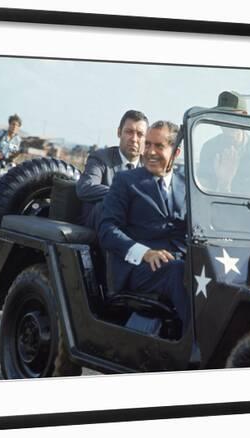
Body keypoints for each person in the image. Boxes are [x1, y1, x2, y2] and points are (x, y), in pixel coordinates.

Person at [98, 121, 189, 327]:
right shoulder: (126, 181)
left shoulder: (188, 186)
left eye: (159, 146)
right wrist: (146, 253)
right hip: (139, 268)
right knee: (177, 271)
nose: (150, 152)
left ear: (175, 153)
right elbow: (107, 230)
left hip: (181, 261)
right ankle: (197, 346)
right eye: (147, 145)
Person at [76, 110, 149, 229]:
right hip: (97, 227)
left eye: (140, 134)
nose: (134, 139)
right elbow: (85, 187)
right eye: (129, 132)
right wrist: (122, 194)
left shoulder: (148, 167)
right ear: (119, 132)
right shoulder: (101, 158)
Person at [197, 91, 250, 195]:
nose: (226, 122)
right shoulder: (209, 148)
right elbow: (201, 189)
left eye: (231, 116)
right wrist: (223, 182)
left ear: (244, 116)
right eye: (222, 116)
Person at [0, 114, 23, 190]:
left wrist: (16, 155)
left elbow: (12, 155)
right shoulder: (0, 133)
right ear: (9, 124)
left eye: (17, 125)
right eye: (13, 124)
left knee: (0, 190)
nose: (14, 127)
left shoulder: (18, 140)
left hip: (5, 169)